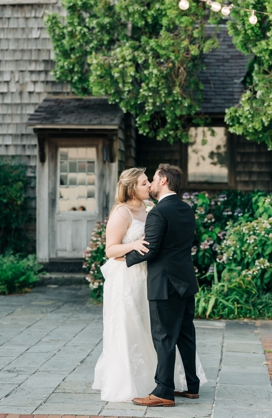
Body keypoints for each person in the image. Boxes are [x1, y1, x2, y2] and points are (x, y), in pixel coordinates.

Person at [92, 166, 205, 405]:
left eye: (151, 181)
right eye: (144, 182)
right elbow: (112, 249)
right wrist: (129, 250)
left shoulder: (156, 211)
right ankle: (191, 385)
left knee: (163, 336)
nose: (149, 185)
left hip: (160, 279)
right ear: (132, 187)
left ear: (163, 181)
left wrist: (129, 257)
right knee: (182, 333)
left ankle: (163, 391)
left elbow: (152, 247)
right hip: (176, 279)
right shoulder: (185, 209)